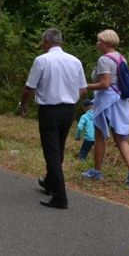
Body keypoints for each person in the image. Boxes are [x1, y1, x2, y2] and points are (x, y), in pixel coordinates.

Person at [17, 28, 87, 209]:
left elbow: (29, 87)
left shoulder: (42, 60)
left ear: (46, 41)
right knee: (59, 148)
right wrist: (71, 99)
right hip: (68, 109)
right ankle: (49, 183)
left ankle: (60, 197)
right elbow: (83, 89)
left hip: (49, 110)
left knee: (51, 153)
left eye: (43, 42)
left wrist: (22, 105)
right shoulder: (75, 61)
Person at [82, 29, 129, 183]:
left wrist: (85, 86)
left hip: (106, 100)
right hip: (121, 100)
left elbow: (105, 83)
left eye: (99, 40)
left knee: (99, 136)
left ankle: (97, 171)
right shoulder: (121, 57)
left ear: (106, 42)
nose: (97, 43)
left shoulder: (104, 59)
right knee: (120, 138)